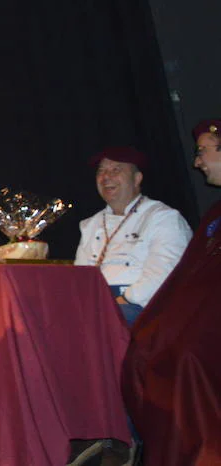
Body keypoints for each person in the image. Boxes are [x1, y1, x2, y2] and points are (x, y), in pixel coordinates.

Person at [122, 120, 221, 462]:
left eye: (203, 152)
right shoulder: (215, 214)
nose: (197, 162)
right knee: (142, 351)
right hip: (200, 313)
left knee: (186, 357)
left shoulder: (163, 217)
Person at [72, 146, 190, 326]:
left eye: (116, 170)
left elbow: (163, 274)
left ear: (137, 179)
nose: (106, 177)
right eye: (101, 171)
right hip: (97, 301)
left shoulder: (163, 217)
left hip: (142, 304)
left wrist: (125, 300)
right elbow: (80, 276)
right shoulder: (90, 224)